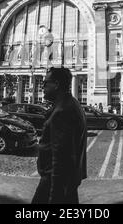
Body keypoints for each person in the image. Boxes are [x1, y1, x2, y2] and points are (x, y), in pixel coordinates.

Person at [32, 67, 87, 204]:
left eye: (45, 83)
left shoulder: (61, 111)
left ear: (56, 84)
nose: (42, 86)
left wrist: (54, 196)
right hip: (68, 180)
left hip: (54, 183)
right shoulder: (72, 103)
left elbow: (60, 157)